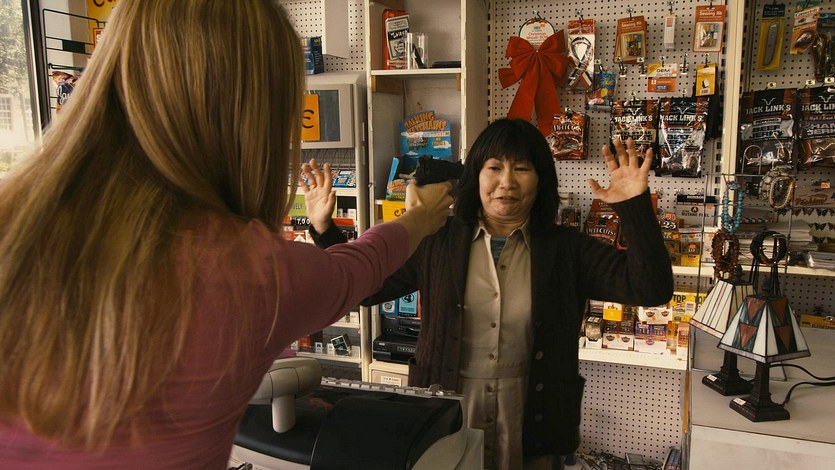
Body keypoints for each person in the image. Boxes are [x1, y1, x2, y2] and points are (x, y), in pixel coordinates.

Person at [0, 1, 452, 468]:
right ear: (254, 119)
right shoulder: (249, 270)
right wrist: (417, 220)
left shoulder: (16, 219)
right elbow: (357, 271)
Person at [304, 118, 674, 470]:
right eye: (494, 167)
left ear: (541, 180)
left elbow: (650, 287)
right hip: (446, 412)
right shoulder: (436, 239)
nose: (506, 182)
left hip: (533, 418)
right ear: (476, 176)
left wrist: (634, 206)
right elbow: (365, 287)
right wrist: (324, 229)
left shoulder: (566, 249)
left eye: (522, 168)